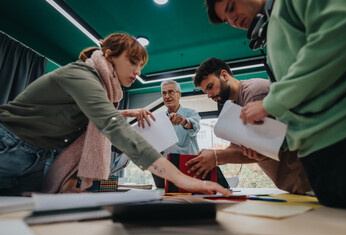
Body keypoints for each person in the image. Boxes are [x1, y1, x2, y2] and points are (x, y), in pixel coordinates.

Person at [0, 33, 230, 197]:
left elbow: (83, 128)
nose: (138, 72)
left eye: (141, 66)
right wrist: (181, 178)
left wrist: (69, 182)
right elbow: (112, 126)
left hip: (37, 158)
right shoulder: (83, 75)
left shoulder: (104, 91)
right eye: (133, 62)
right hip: (8, 143)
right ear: (109, 56)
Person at [205, 0, 346, 211]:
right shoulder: (272, 31)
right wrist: (275, 145)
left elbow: (345, 25)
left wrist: (272, 102)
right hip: (315, 156)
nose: (232, 19)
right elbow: (301, 104)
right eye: (226, 19)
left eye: (232, 7)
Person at [188, 57, 311, 194]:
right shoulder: (233, 106)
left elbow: (265, 149)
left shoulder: (253, 93)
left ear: (224, 75)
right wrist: (210, 156)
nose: (209, 95)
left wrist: (216, 157)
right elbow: (234, 149)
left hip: (307, 180)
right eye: (206, 92)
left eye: (210, 87)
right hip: (294, 185)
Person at [160, 80, 201, 157]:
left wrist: (183, 121)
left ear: (179, 94)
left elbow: (195, 128)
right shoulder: (160, 119)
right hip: (167, 165)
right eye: (164, 93)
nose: (167, 96)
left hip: (187, 163)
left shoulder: (191, 113)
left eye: (171, 92)